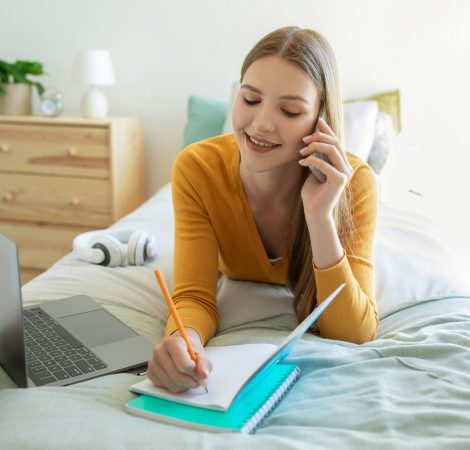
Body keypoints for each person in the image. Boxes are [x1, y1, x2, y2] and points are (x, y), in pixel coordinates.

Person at [147, 26, 379, 393]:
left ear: (321, 121)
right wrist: (184, 341)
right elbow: (194, 296)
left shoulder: (356, 183)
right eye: (250, 100)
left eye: (289, 110)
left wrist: (319, 217)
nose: (261, 124)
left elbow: (355, 333)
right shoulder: (197, 168)